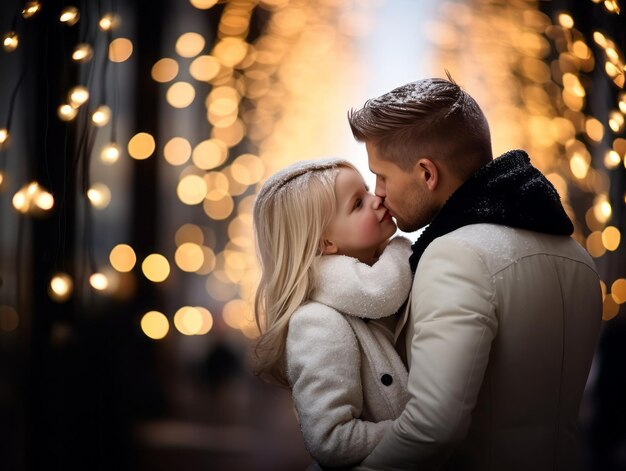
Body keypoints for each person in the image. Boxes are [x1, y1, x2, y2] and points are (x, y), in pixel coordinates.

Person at [347, 76, 603, 470]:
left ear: (426, 174)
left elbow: (431, 428)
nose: (377, 192)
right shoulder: (579, 260)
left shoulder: (456, 255)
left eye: (382, 176)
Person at [252, 158, 413, 468]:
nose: (376, 199)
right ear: (325, 242)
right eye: (357, 203)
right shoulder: (317, 322)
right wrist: (418, 434)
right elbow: (332, 439)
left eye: (366, 190)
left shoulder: (392, 284)